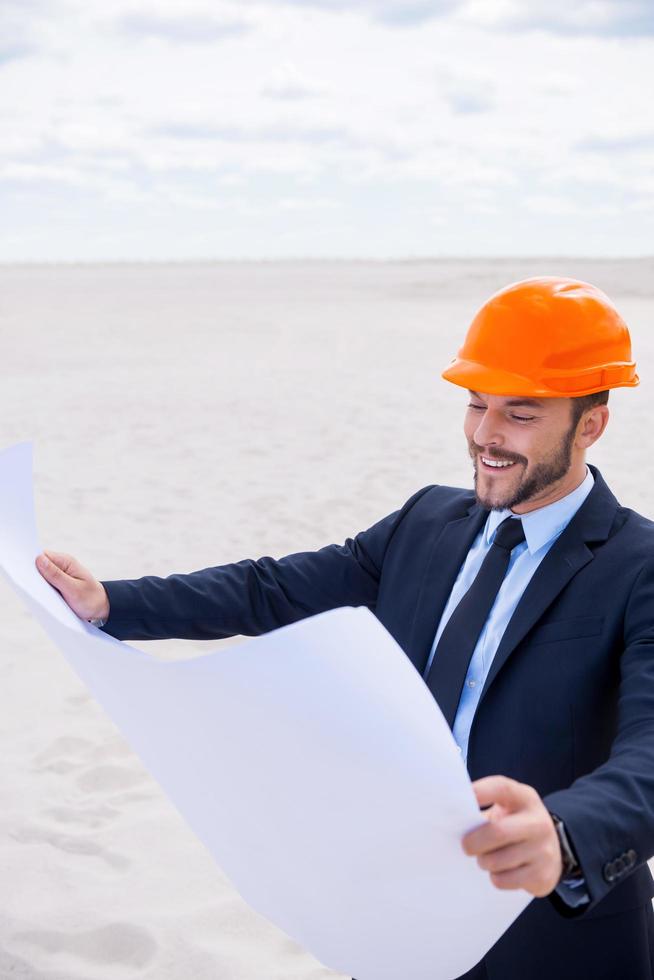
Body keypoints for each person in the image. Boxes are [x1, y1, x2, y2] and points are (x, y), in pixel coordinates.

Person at [36, 277, 654, 979]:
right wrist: (112, 603)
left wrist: (564, 836)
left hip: (553, 940)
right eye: (477, 405)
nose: (485, 435)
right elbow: (272, 590)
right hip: (394, 915)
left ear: (591, 425)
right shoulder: (428, 521)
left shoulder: (640, 567)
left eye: (520, 413)